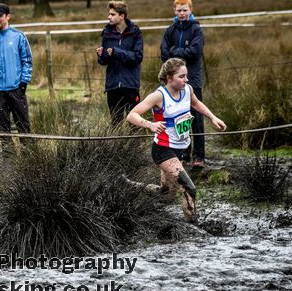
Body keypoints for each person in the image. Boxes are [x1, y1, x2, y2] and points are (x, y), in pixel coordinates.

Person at [126, 58, 226, 223]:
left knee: (166, 195)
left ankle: (130, 187)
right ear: (169, 77)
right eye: (181, 76)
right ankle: (194, 227)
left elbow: (196, 103)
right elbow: (132, 115)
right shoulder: (158, 96)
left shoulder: (187, 89)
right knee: (189, 188)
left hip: (181, 148)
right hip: (163, 150)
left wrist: (212, 117)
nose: (186, 80)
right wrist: (150, 124)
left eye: (186, 76)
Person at [160, 0, 205, 168]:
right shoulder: (170, 30)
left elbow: (195, 52)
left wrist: (174, 52)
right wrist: (175, 53)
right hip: (173, 83)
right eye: (178, 10)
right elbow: (164, 53)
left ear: (190, 10)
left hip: (192, 80)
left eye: (184, 10)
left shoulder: (196, 29)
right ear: (174, 10)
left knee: (196, 118)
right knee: (180, 118)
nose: (181, 13)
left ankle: (199, 156)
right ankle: (184, 153)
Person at [0, 3, 32, 143]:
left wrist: (23, 83)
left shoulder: (19, 36)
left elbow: (27, 61)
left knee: (24, 126)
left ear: (8, 16)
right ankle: (9, 162)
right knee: (3, 130)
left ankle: (30, 159)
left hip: (16, 88)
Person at [96, 1, 143, 126]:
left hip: (130, 85)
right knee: (115, 123)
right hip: (112, 86)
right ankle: (117, 146)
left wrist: (117, 52)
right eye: (109, 14)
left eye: (112, 14)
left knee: (134, 124)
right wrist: (101, 56)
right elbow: (104, 61)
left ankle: (136, 146)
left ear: (122, 16)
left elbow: (138, 57)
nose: (109, 17)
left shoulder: (135, 33)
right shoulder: (107, 32)